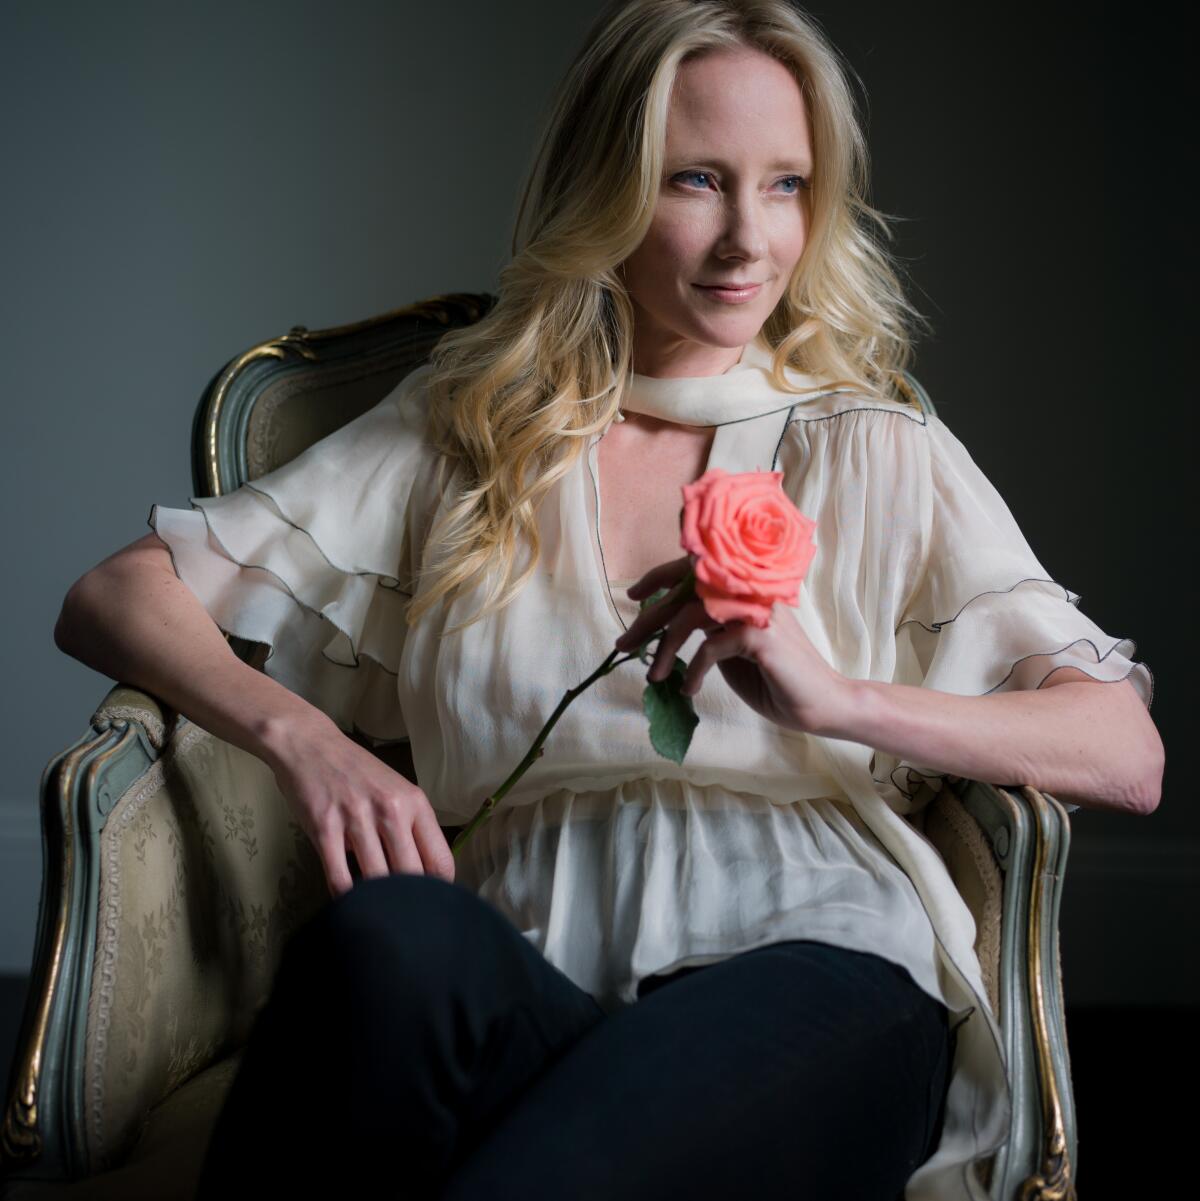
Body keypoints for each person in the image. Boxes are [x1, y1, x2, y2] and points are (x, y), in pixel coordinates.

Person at [56, 1, 1162, 1198]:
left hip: (817, 977)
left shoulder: (874, 443)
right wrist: (306, 741)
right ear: (607, 188)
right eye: (697, 179)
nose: (749, 239)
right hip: (536, 977)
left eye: (786, 185)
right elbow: (118, 593)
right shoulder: (473, 429)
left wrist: (838, 697)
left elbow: (1122, 750)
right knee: (385, 941)